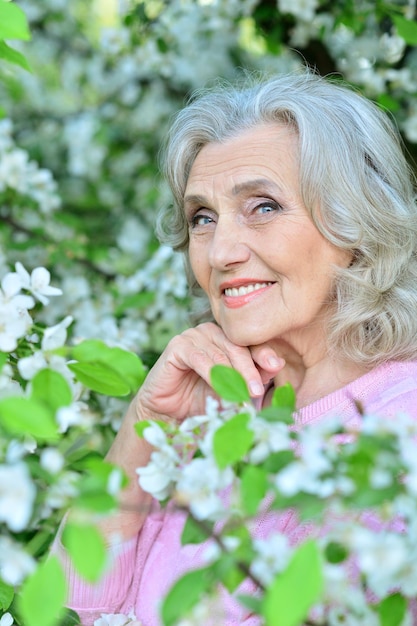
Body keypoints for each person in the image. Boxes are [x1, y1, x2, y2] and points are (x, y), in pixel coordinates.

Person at [53, 70, 417, 625]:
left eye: (263, 206)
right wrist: (144, 427)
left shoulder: (403, 430)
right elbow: (60, 612)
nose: (221, 251)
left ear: (357, 225)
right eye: (202, 217)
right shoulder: (208, 422)